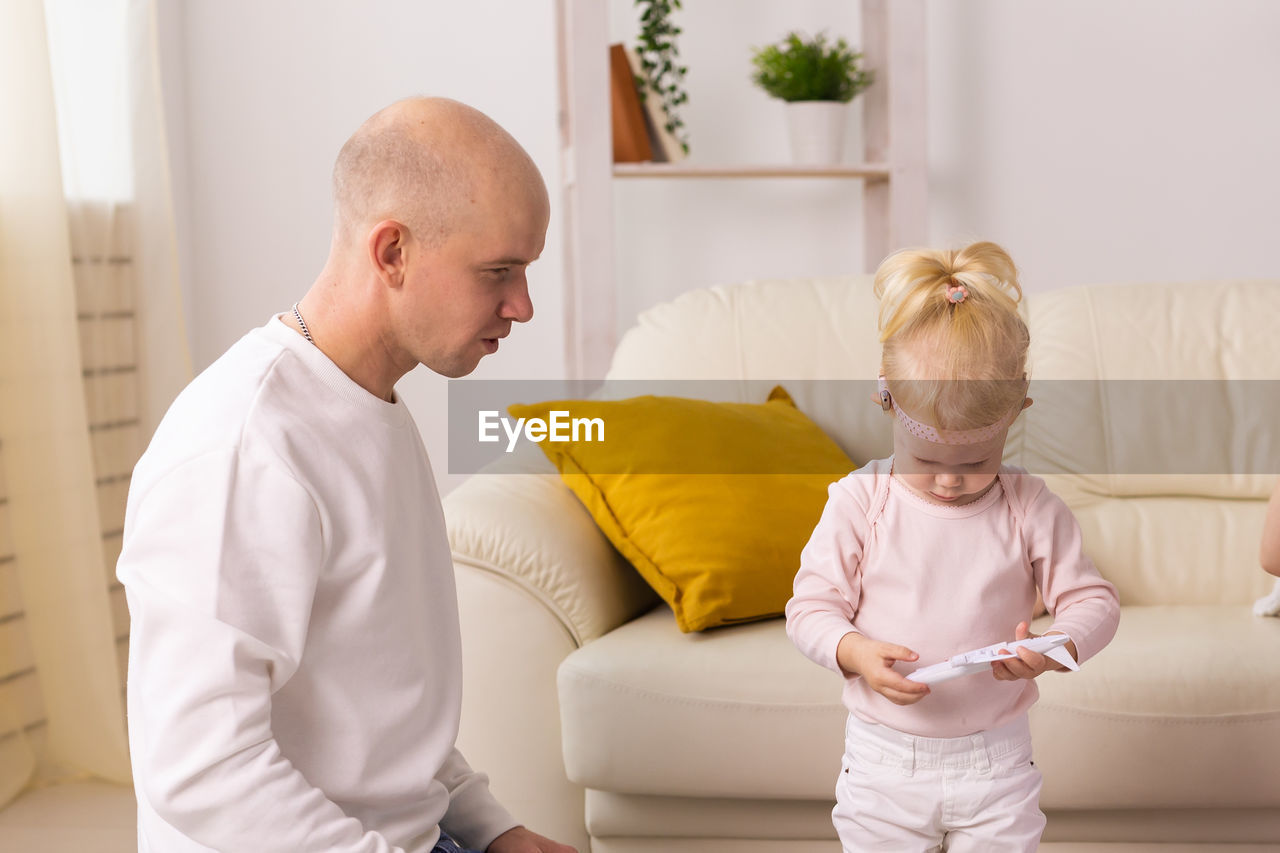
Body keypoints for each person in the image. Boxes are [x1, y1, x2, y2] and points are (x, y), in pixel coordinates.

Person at [116, 97, 574, 853]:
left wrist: (496, 832)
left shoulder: (369, 408)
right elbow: (199, 767)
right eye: (500, 270)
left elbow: (383, 717)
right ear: (391, 251)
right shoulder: (243, 445)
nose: (521, 305)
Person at [785, 242, 1121, 852]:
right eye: (928, 460)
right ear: (885, 398)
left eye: (975, 461)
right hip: (883, 762)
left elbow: (1094, 602)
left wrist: (1054, 646)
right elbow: (808, 608)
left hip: (995, 763)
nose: (949, 479)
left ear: (1019, 409)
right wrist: (852, 650)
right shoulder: (861, 500)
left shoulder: (1029, 505)